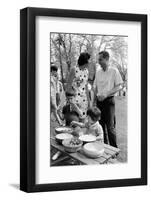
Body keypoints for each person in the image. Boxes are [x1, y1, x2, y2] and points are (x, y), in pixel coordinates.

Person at [93, 51, 123, 147]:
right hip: (99, 102)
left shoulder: (114, 71)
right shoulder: (98, 72)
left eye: (100, 59)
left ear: (107, 59)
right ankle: (104, 147)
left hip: (109, 102)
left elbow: (119, 86)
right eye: (98, 59)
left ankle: (114, 151)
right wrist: (94, 101)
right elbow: (95, 87)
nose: (99, 61)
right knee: (100, 126)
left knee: (110, 127)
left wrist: (106, 94)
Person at [66, 52, 91, 121]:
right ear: (85, 61)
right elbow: (68, 86)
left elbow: (86, 86)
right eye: (89, 60)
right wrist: (69, 99)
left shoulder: (86, 71)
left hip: (84, 100)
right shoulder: (74, 69)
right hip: (74, 100)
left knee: (83, 120)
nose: (90, 62)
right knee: (74, 121)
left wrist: (89, 101)